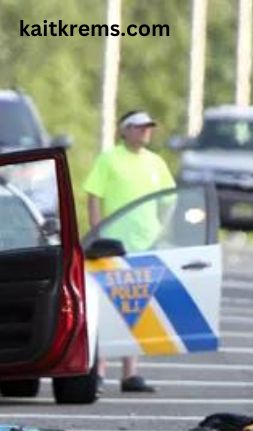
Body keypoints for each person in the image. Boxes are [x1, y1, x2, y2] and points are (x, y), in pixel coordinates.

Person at [84, 109, 175, 393]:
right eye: (139, 127)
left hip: (145, 245)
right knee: (107, 308)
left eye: (148, 127)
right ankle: (99, 370)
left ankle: (130, 373)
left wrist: (163, 228)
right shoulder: (109, 158)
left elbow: (169, 198)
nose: (145, 131)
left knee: (138, 308)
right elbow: (93, 195)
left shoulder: (155, 162)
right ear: (125, 130)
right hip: (113, 245)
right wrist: (97, 230)